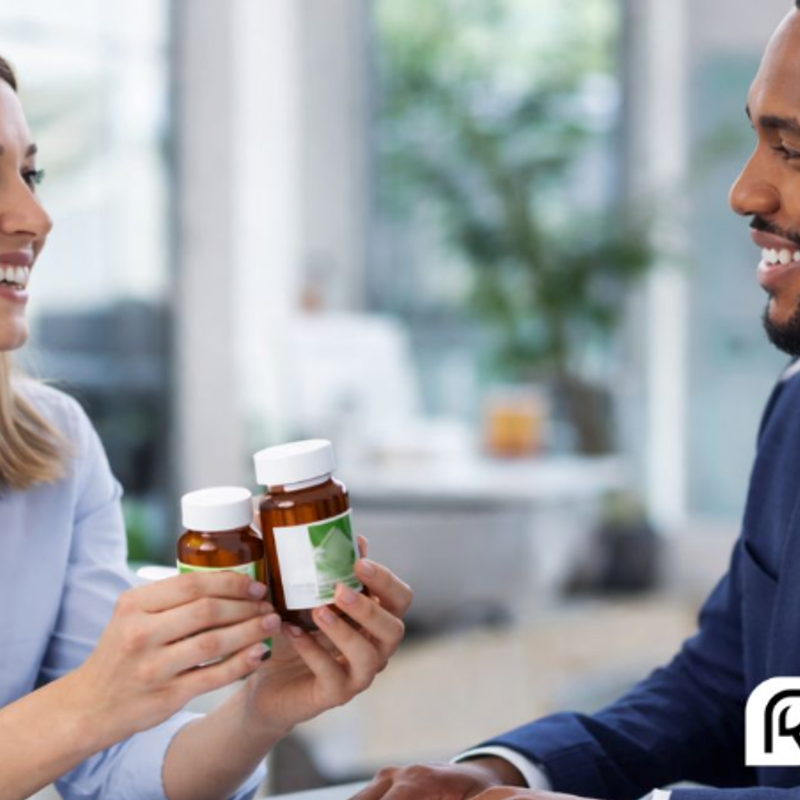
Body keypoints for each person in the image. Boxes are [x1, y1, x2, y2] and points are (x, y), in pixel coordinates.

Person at [356, 3, 800, 800]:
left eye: (793, 149)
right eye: (756, 140)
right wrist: (504, 774)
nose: (744, 191)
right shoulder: (796, 412)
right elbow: (730, 687)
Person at [0, 55, 412, 800]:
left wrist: (258, 710)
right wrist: (90, 702)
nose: (35, 218)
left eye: (30, 175)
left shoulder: (54, 448)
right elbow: (83, 724)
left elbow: (104, 776)